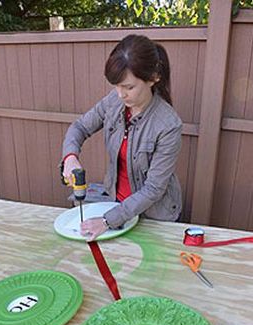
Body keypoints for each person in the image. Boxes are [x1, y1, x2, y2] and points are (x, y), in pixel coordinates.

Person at [62, 34, 183, 241]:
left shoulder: (169, 125)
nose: (120, 94)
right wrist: (70, 157)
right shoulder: (114, 102)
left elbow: (153, 188)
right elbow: (80, 126)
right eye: (116, 86)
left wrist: (108, 221)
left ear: (154, 78)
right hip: (115, 202)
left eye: (129, 87)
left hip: (153, 216)